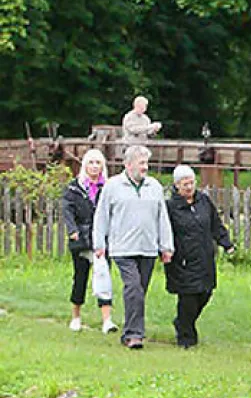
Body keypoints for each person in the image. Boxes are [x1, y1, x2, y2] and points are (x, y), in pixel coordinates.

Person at [93, 145, 173, 349]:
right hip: (122, 248)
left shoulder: (154, 186)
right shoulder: (113, 186)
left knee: (139, 292)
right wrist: (99, 243)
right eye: (141, 163)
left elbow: (162, 217)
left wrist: (166, 246)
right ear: (128, 165)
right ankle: (135, 335)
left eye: (146, 163)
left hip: (147, 248)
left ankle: (128, 331)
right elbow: (101, 216)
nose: (145, 167)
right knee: (133, 287)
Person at [165, 165, 234, 348]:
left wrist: (226, 243)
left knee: (205, 293)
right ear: (176, 185)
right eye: (184, 184)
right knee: (188, 297)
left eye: (191, 183)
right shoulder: (171, 207)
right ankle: (186, 336)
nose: (189, 187)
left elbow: (215, 224)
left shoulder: (203, 201)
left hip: (204, 257)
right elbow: (164, 232)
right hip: (183, 260)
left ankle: (182, 322)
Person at [61, 149, 116, 334]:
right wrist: (73, 230)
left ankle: (107, 320)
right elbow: (67, 211)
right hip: (82, 239)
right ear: (84, 165)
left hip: (101, 239)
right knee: (80, 278)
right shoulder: (74, 188)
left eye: (97, 163)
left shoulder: (108, 188)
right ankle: (76, 316)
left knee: (103, 276)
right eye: (91, 163)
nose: (94, 167)